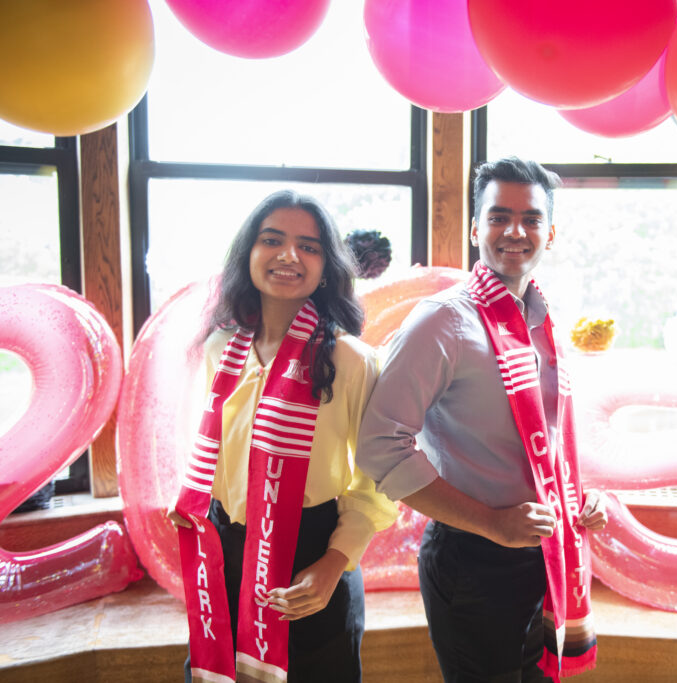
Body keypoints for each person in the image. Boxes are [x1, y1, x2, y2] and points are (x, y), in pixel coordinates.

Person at [357, 157, 608, 682]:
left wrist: (575, 498)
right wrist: (491, 522)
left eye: (531, 219)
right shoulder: (443, 321)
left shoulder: (544, 320)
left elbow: (548, 441)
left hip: (547, 552)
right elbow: (381, 443)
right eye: (498, 217)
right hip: (473, 559)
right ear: (475, 229)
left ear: (551, 232)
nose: (515, 231)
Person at [167, 190, 397, 683]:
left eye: (309, 246)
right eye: (272, 240)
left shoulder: (350, 360)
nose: (289, 255)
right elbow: (212, 447)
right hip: (224, 556)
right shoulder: (220, 347)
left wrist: (336, 562)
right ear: (248, 252)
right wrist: (194, 501)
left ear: (327, 265)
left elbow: (378, 474)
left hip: (311, 557)